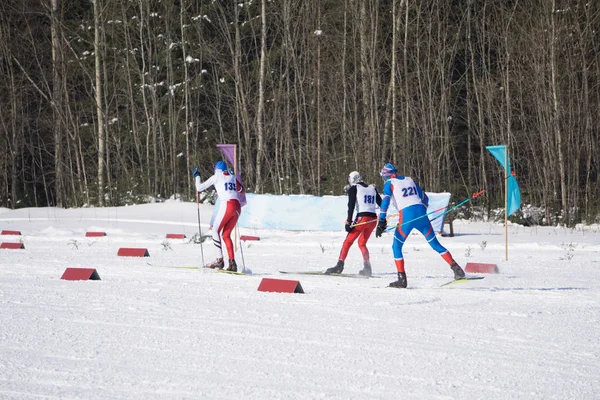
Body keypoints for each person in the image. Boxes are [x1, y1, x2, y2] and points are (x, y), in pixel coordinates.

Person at [375, 163, 465, 288]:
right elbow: (425, 197)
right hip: (422, 214)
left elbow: (385, 201)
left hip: (407, 215)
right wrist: (422, 210)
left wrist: (382, 221)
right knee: (435, 244)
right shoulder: (409, 179)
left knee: (396, 246)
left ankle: (402, 279)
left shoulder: (389, 184)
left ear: (386, 175)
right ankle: (457, 270)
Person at [325, 171, 382, 277]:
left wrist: (349, 222)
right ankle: (367, 266)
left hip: (362, 217)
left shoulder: (354, 188)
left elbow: (350, 206)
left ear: (351, 179)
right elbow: (382, 204)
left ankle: (339, 265)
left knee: (348, 241)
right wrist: (383, 220)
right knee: (362, 243)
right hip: (373, 219)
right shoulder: (372, 188)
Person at [193, 161, 245, 272]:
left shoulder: (216, 176)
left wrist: (197, 176)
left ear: (217, 169)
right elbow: (242, 190)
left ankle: (219, 260)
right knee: (226, 235)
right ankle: (232, 263)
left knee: (215, 230)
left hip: (227, 204)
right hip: (237, 208)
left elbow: (199, 188)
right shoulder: (231, 176)